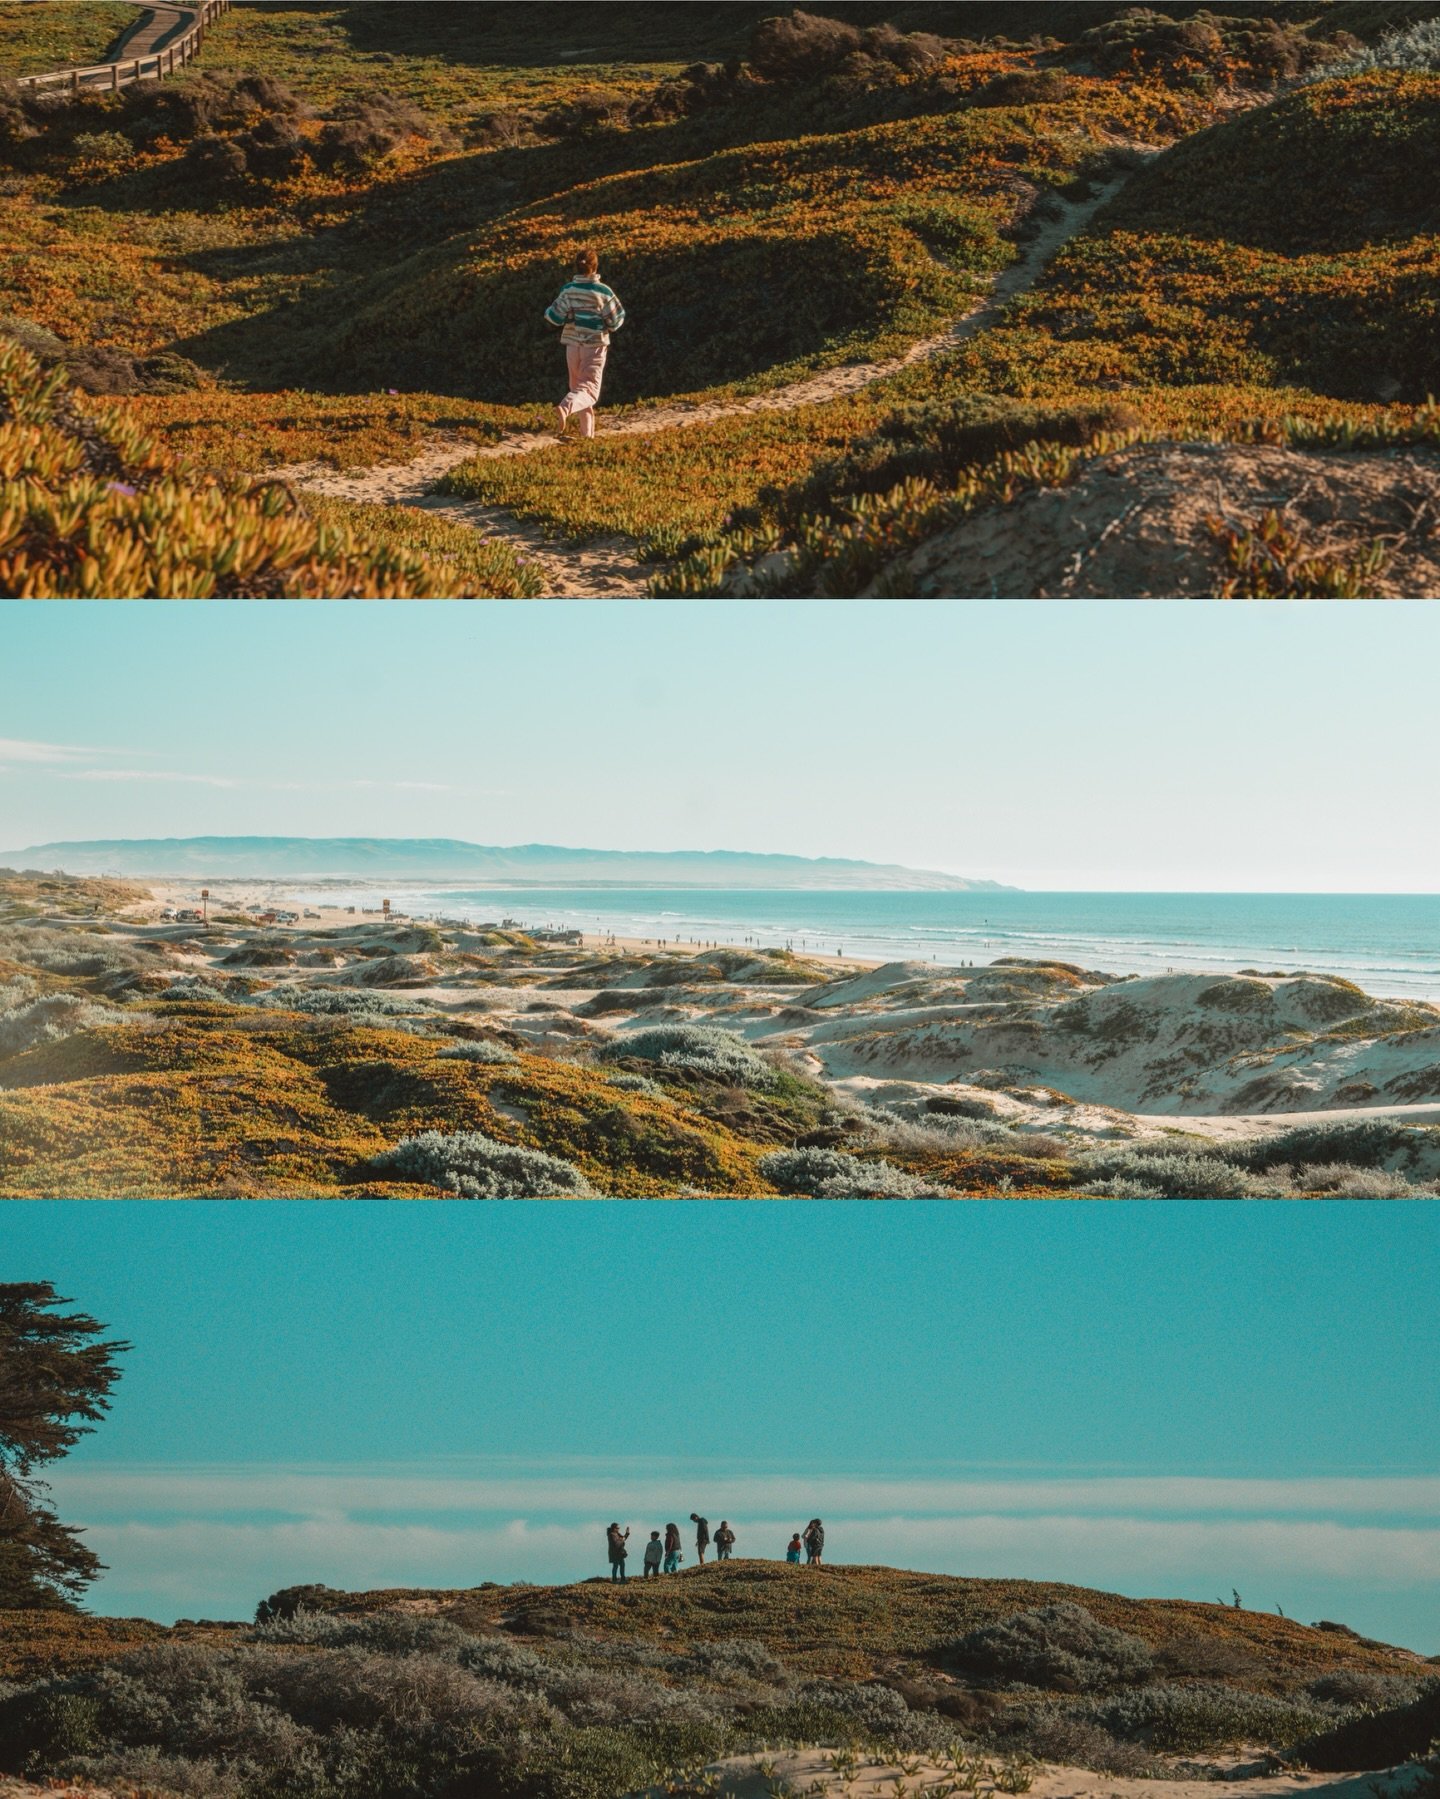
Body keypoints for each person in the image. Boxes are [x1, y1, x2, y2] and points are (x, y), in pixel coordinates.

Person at [543, 247, 625, 441]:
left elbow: (553, 317)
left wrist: (570, 314)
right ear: (595, 267)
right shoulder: (604, 292)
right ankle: (565, 407)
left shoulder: (568, 290)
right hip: (594, 345)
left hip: (572, 345)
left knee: (579, 388)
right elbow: (616, 321)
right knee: (588, 389)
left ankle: (586, 437)